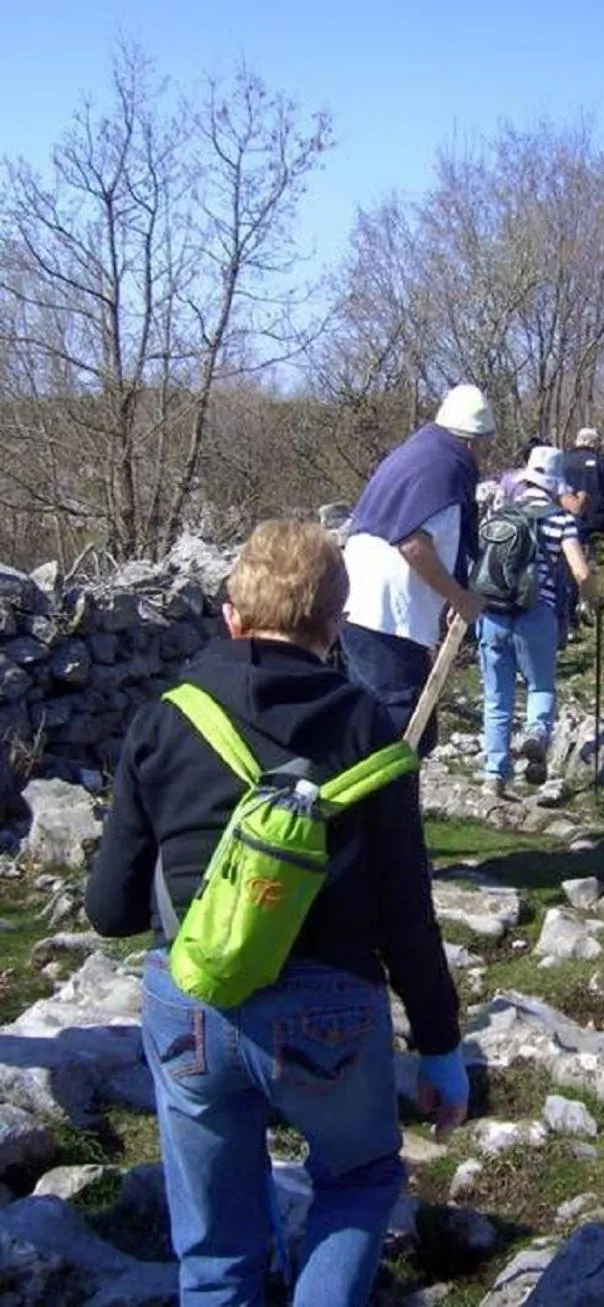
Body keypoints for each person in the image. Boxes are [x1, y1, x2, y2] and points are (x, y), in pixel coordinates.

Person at [85, 520, 467, 1306]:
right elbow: (406, 908)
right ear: (335, 626)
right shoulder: (367, 725)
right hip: (327, 1004)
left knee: (218, 1253)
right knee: (359, 1180)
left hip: (191, 998)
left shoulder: (166, 716)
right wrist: (439, 1047)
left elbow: (110, 908)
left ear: (231, 613)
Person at [339, 384, 494, 755]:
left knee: (373, 729)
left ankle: (368, 810)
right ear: (473, 441)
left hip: (362, 609)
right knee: (400, 736)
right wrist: (459, 597)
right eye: (487, 445)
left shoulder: (416, 455)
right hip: (388, 618)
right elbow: (412, 543)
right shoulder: (446, 468)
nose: (485, 455)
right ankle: (381, 811)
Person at [478, 446, 599, 798]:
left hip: (493, 613)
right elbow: (580, 571)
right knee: (541, 686)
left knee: (496, 699)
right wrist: (595, 600)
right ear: (555, 482)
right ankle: (536, 732)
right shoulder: (560, 519)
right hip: (536, 613)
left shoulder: (498, 513)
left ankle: (494, 776)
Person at [561, 427, 604, 544]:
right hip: (598, 525)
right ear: (594, 443)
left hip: (565, 523)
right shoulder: (603, 462)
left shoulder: (561, 461)